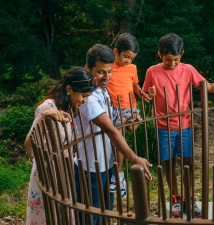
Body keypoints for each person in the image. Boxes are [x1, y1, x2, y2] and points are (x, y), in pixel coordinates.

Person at [142, 33, 214, 218]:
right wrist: (148, 95)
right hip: (163, 126)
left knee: (188, 163)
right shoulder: (152, 72)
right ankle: (175, 198)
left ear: (182, 54)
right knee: (168, 164)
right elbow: (144, 96)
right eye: (168, 60)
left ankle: (190, 198)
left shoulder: (188, 69)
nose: (173, 64)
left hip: (185, 125)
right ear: (160, 55)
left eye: (176, 59)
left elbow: (209, 87)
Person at [73, 44, 152, 225]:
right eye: (100, 72)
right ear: (88, 68)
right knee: (89, 216)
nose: (106, 77)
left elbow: (114, 122)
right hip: (90, 166)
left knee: (105, 213)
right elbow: (109, 128)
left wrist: (130, 121)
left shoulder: (103, 91)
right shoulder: (88, 97)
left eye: (109, 72)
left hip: (106, 163)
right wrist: (134, 158)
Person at [24, 67, 97, 225]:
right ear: (69, 89)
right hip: (47, 171)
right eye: (84, 96)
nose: (85, 101)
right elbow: (29, 148)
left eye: (88, 97)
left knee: (63, 215)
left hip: (65, 172)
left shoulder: (68, 107)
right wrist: (44, 117)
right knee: (49, 216)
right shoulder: (48, 107)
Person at [106, 33, 155, 198]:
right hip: (112, 108)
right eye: (126, 57)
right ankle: (117, 174)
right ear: (115, 52)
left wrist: (142, 94)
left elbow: (135, 84)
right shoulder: (108, 67)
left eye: (132, 58)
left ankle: (118, 173)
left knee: (125, 129)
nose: (128, 61)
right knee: (116, 136)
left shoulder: (132, 69)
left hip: (129, 107)